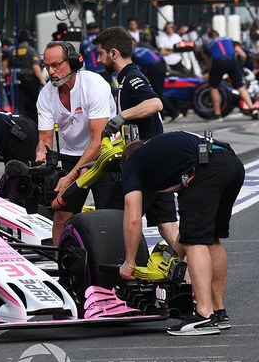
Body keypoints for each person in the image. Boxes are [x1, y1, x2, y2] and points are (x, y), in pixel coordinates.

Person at [119, 132, 243, 335]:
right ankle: (218, 312)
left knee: (196, 241)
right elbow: (187, 231)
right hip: (231, 163)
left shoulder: (133, 161)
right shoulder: (167, 152)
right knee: (210, 238)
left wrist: (129, 263)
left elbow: (132, 218)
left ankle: (204, 316)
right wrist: (170, 260)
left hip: (205, 167)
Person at [93, 26, 179, 245]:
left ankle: (121, 270)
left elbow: (155, 103)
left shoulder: (132, 77)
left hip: (146, 163)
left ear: (114, 53)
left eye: (100, 54)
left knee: (111, 219)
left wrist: (122, 117)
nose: (98, 60)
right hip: (160, 162)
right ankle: (189, 274)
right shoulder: (125, 79)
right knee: (167, 225)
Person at [36, 41, 118, 245]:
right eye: (47, 66)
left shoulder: (94, 85)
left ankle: (112, 266)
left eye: (56, 65)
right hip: (72, 155)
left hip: (104, 156)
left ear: (73, 62)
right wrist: (41, 155)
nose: (51, 72)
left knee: (108, 217)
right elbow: (45, 139)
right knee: (61, 216)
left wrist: (71, 177)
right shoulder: (46, 94)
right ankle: (61, 267)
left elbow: (97, 141)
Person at [202, 30, 258, 120]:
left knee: (214, 87)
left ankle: (217, 114)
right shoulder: (229, 40)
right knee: (240, 86)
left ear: (210, 37)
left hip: (218, 62)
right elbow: (243, 55)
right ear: (218, 35)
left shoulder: (207, 44)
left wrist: (210, 72)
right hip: (232, 61)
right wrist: (240, 65)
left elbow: (207, 62)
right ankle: (252, 109)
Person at [131, 41, 180, 122]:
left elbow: (135, 66)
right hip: (161, 65)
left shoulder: (133, 54)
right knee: (159, 92)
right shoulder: (144, 49)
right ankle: (167, 114)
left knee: (156, 93)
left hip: (154, 68)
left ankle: (171, 113)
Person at [4, 30, 45, 120]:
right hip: (30, 80)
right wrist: (42, 80)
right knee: (34, 104)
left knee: (20, 106)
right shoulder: (30, 50)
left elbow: (7, 66)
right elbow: (35, 66)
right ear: (28, 40)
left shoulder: (12, 51)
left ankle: (21, 123)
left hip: (17, 81)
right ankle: (35, 124)